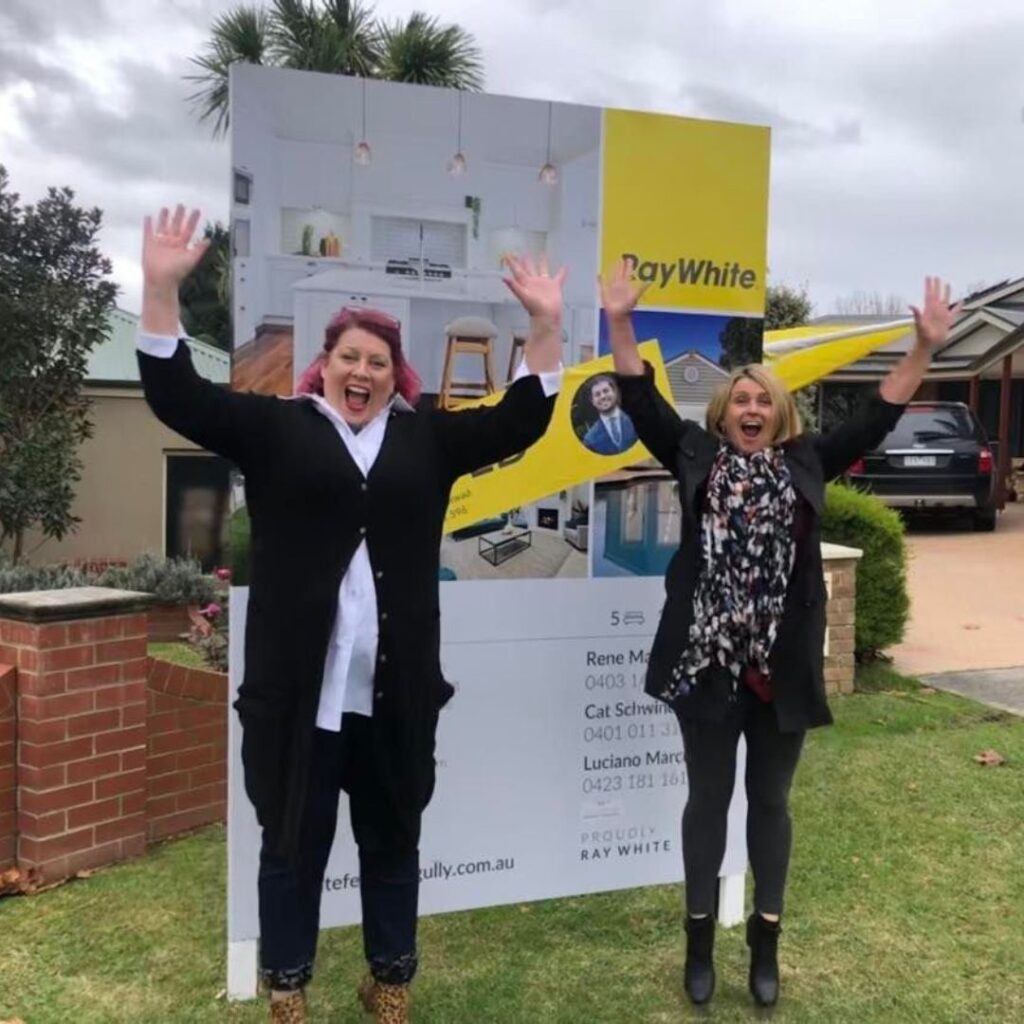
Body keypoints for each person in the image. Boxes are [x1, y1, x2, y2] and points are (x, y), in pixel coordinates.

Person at [137, 205, 565, 1024]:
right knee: (290, 844)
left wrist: (544, 325)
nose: (362, 371)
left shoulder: (426, 439)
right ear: (322, 366)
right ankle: (287, 989)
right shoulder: (277, 429)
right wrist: (161, 289)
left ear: (396, 375)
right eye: (348, 357)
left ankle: (389, 982)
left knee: (393, 839)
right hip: (297, 699)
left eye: (377, 360)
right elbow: (178, 395)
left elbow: (522, 418)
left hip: (394, 698)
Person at [598, 260, 959, 1009]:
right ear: (723, 413)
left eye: (765, 398)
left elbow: (877, 416)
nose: (753, 406)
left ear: (781, 413)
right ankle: (699, 943)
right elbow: (641, 400)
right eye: (741, 398)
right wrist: (622, 323)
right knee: (706, 801)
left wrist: (924, 347)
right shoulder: (695, 456)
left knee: (770, 803)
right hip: (705, 668)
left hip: (779, 672)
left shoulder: (807, 463)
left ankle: (766, 943)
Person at [581, 374, 638, 455]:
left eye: (606, 391)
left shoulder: (638, 419)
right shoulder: (590, 439)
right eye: (597, 394)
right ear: (593, 401)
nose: (603, 396)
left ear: (615, 392)